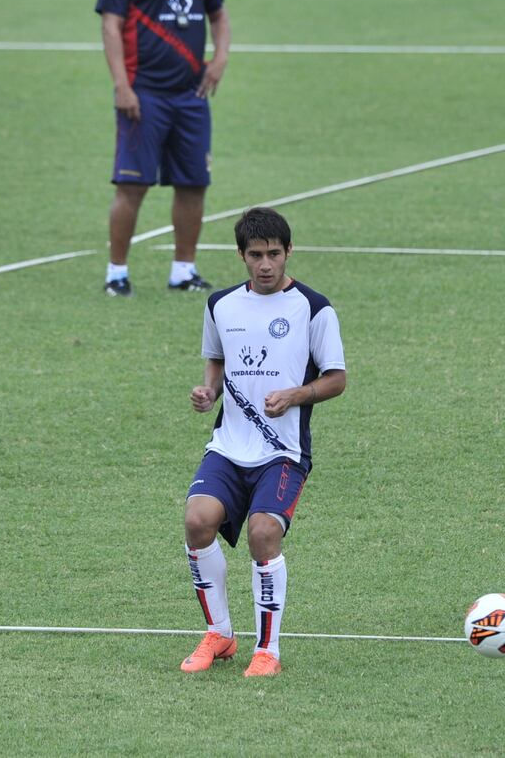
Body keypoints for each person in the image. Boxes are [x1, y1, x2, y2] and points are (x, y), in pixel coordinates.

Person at [181, 207, 346, 677]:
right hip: (229, 446)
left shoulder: (314, 308)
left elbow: (337, 378)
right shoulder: (220, 305)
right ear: (241, 256)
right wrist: (208, 390)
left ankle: (267, 649)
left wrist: (298, 394)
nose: (266, 264)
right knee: (197, 521)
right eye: (256, 255)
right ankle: (219, 634)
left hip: (283, 452)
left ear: (289, 251)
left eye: (275, 253)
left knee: (263, 533)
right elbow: (216, 360)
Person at [95, 0, 231, 296]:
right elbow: (111, 26)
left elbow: (219, 14)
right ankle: (116, 273)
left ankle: (183, 271)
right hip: (144, 95)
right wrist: (122, 85)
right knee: (132, 185)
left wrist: (220, 58)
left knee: (193, 183)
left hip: (190, 96)